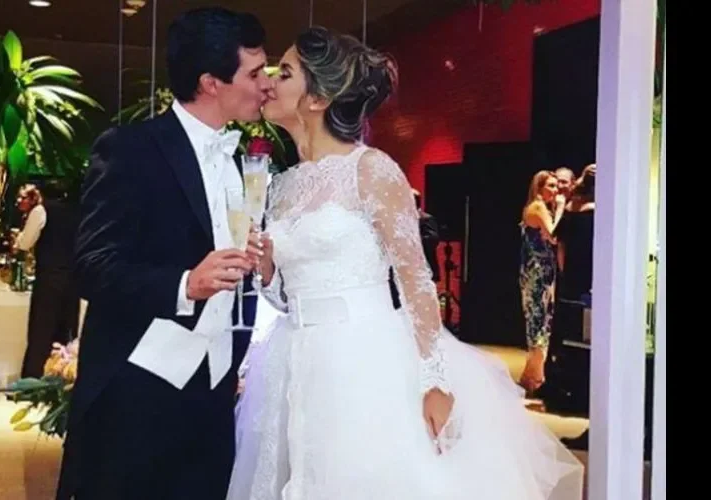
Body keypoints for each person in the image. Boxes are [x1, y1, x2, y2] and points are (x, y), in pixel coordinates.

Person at [227, 27, 583, 500]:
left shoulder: (371, 169)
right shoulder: (283, 184)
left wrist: (434, 380)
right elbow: (284, 295)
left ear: (318, 98)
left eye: (285, 72)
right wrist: (268, 268)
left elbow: (416, 279)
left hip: (363, 356)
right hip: (292, 357)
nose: (270, 81)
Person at [55, 7, 272, 500]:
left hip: (216, 389)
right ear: (211, 82)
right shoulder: (130, 149)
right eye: (255, 73)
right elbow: (91, 267)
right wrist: (185, 284)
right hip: (139, 388)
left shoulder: (238, 160)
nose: (266, 86)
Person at [13, 183, 82, 379]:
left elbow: (25, 243)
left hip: (49, 279)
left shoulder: (42, 210)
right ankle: (61, 378)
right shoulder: (77, 212)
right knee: (67, 331)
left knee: (41, 331)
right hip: (73, 280)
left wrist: (18, 239)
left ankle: (34, 378)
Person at [519, 171, 565, 392]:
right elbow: (553, 234)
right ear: (539, 188)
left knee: (541, 322)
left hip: (542, 271)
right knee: (539, 323)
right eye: (551, 186)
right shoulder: (537, 207)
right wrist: (562, 207)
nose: (556, 191)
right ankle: (535, 379)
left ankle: (530, 377)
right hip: (537, 273)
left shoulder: (541, 207)